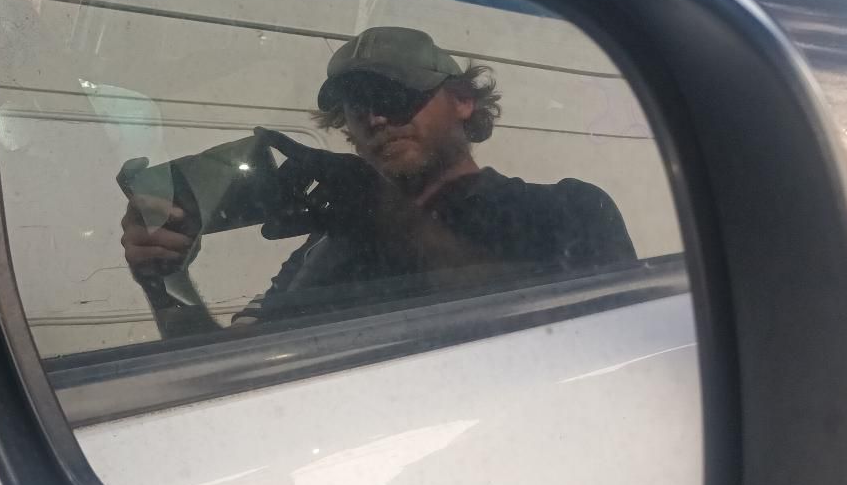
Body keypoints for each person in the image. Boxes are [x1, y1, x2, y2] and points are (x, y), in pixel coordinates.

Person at [119, 26, 635, 338]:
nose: (374, 119)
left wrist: (386, 212)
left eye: (393, 95)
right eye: (355, 106)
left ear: (463, 100)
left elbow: (571, 348)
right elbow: (227, 378)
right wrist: (167, 280)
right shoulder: (324, 246)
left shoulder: (567, 211)